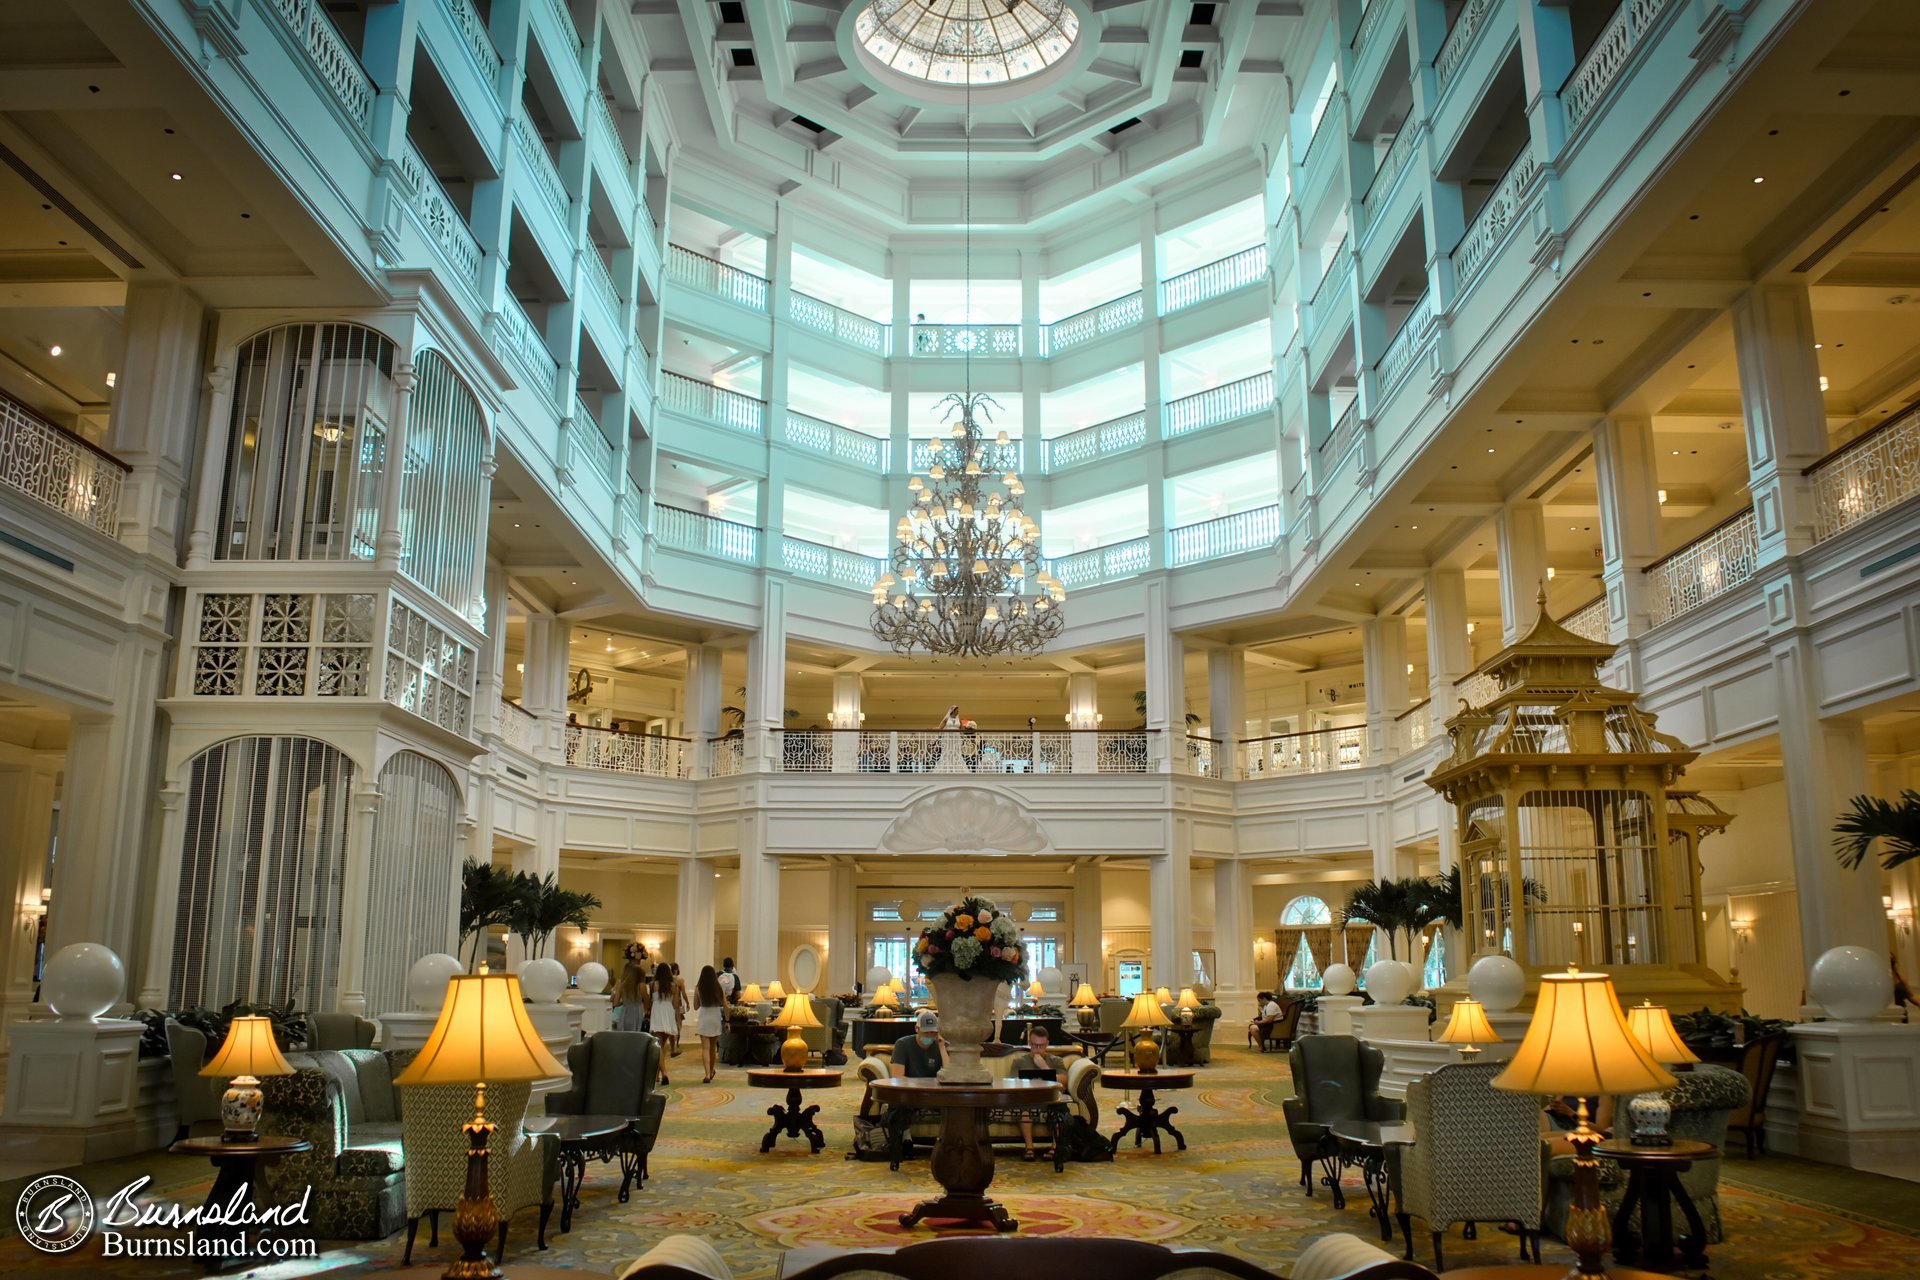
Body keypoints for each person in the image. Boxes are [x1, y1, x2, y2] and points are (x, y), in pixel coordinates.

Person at [883, 1010, 948, 1159]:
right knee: (899, 1103)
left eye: (933, 1033)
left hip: (934, 1094)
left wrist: (942, 1048)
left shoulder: (940, 1046)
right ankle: (905, 1140)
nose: (929, 1037)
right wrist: (918, 1084)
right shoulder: (903, 1044)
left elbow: (949, 1074)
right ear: (917, 1029)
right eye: (926, 1033)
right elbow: (898, 1077)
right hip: (911, 1093)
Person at [1014, 1024, 1065, 1162]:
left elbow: (1063, 1083)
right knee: (1024, 1109)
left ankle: (1054, 1147)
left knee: (1058, 1109)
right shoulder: (1019, 1061)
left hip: (1050, 1098)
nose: (1037, 1049)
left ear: (1047, 1044)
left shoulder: (1056, 1060)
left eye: (1041, 1046)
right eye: (1034, 1045)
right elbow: (1012, 1082)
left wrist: (1044, 1068)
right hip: (1028, 1098)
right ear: (1030, 1043)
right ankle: (1029, 1148)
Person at [693, 964, 726, 1083]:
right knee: (712, 1048)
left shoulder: (698, 988)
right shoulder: (718, 988)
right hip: (715, 1017)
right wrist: (727, 1020)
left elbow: (696, 1007)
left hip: (704, 1018)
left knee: (705, 1048)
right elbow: (725, 1005)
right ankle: (711, 1070)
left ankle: (707, 1074)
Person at [650, 961, 679, 1077]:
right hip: (668, 1011)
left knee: (658, 1044)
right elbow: (676, 1004)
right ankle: (658, 1073)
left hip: (657, 1010)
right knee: (662, 1044)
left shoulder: (653, 984)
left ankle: (663, 1072)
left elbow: (649, 1001)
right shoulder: (673, 985)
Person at [613, 961, 649, 1034]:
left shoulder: (622, 985)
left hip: (625, 1011)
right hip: (637, 1012)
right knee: (636, 1033)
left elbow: (615, 1003)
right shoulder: (642, 986)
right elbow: (647, 1003)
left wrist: (625, 1002)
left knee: (624, 1033)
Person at [670, 962, 690, 1055]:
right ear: (676, 969)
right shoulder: (680, 980)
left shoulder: (667, 979)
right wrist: (688, 1003)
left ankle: (672, 1045)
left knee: (671, 1024)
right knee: (678, 1025)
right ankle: (676, 1044)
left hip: (669, 1004)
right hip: (678, 1004)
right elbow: (684, 994)